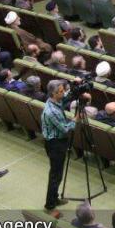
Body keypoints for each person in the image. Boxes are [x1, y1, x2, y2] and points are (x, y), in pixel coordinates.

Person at [40, 80, 75, 212]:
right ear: (54, 94)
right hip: (55, 144)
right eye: (61, 91)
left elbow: (66, 97)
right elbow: (65, 129)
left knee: (57, 174)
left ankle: (54, 198)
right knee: (55, 176)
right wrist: (75, 120)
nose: (63, 93)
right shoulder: (52, 111)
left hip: (57, 142)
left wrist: (75, 89)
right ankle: (50, 205)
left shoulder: (55, 101)